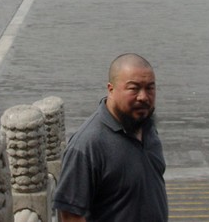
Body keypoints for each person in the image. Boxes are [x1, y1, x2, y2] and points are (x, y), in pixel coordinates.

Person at [53, 53, 168, 222]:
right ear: (111, 89)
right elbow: (71, 215)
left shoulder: (146, 126)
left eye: (150, 88)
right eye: (134, 88)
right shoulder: (87, 145)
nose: (143, 97)